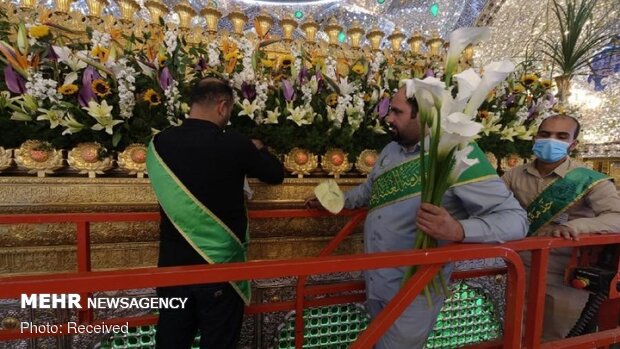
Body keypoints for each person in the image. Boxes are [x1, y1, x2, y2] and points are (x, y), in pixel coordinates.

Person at [306, 86, 528, 349]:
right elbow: (370, 191)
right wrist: (335, 201)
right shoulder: (391, 149)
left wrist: (458, 229)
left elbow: (516, 220)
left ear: (424, 116)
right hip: (377, 278)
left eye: (397, 112)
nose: (389, 119)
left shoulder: (457, 153)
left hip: (417, 285)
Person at [146, 77, 284, 349]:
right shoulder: (235, 144)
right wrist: (259, 148)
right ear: (222, 106)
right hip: (220, 266)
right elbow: (274, 174)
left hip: (172, 268)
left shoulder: (159, 144)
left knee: (172, 340)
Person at [502, 114, 620, 340]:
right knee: (512, 335)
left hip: (561, 276)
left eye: (561, 136)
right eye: (545, 134)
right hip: (516, 268)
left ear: (573, 144)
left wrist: (580, 225)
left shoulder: (588, 179)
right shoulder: (514, 175)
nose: (551, 140)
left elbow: (617, 216)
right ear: (535, 137)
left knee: (550, 339)